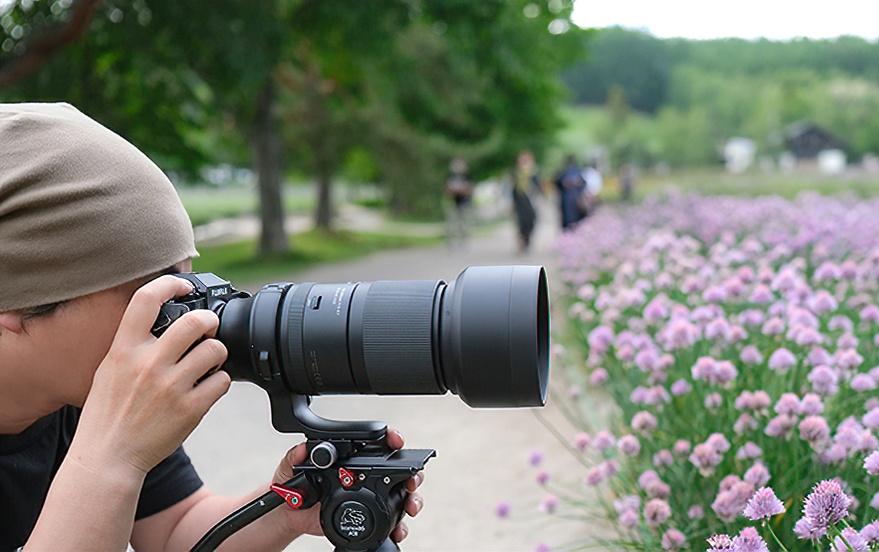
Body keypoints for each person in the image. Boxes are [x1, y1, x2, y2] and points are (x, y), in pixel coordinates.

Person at [0, 103, 423, 551]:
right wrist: (114, 459)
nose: (187, 314)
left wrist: (290, 508)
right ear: (16, 303)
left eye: (187, 283)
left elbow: (173, 530)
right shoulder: (109, 414)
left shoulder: (85, 398)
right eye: (153, 297)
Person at [511, 150, 540, 253]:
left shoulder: (533, 174)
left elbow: (538, 188)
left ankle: (527, 241)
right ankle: (523, 242)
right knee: (522, 223)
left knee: (531, 222)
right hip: (521, 202)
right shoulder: (516, 174)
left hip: (531, 202)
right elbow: (513, 190)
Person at [444, 157, 474, 249]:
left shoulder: (467, 176)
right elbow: (447, 188)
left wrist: (460, 190)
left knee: (464, 225)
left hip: (465, 203)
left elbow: (469, 188)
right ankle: (453, 243)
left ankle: (463, 243)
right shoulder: (450, 176)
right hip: (453, 203)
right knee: (453, 225)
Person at [553, 154, 587, 230]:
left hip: (566, 200)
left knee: (567, 223)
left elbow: (557, 184)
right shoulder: (578, 171)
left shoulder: (563, 171)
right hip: (575, 200)